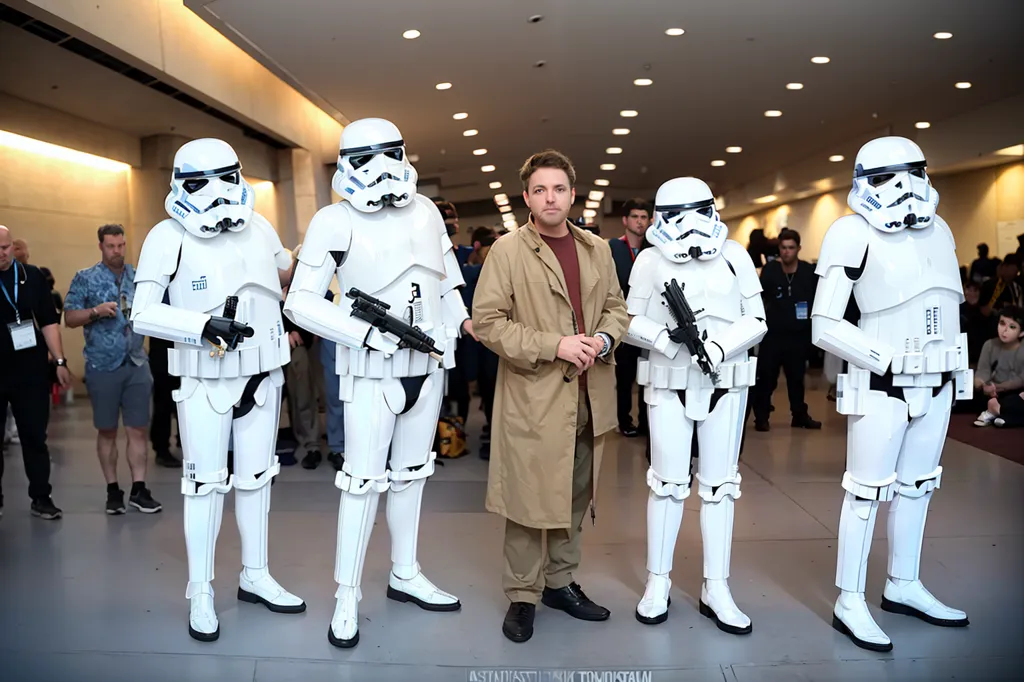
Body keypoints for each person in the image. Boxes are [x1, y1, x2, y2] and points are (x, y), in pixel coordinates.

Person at [284, 118, 472, 648]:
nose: (384, 169)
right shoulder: (332, 221)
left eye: (392, 153)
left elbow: (447, 281)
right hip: (370, 373)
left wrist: (464, 323)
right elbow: (300, 302)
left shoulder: (428, 211)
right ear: (346, 163)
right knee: (361, 483)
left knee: (412, 474)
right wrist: (362, 334)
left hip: (428, 366)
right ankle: (347, 594)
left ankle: (405, 572)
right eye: (368, 158)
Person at [130, 138, 305, 642]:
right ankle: (201, 590)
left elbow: (285, 271)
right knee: (205, 485)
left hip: (264, 372)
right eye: (201, 183)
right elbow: (142, 311)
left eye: (227, 177)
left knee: (256, 479)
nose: (217, 193)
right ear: (181, 184)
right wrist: (200, 325)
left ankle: (255, 574)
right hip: (205, 378)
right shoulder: (167, 236)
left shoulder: (261, 226)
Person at [811, 136, 971, 652]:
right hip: (882, 384)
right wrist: (884, 360)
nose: (903, 190)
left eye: (911, 174)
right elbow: (824, 323)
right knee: (866, 491)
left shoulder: (941, 230)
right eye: (886, 179)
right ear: (863, 183)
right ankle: (850, 598)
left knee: (919, 486)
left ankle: (904, 583)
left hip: (940, 379)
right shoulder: (849, 232)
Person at [472, 149, 628, 644]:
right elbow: (489, 325)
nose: (550, 197)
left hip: (591, 396)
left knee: (575, 496)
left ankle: (560, 583)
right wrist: (553, 345)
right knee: (528, 500)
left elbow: (617, 310)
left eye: (558, 188)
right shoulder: (508, 251)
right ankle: (522, 595)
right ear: (526, 198)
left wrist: (603, 339)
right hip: (534, 398)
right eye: (539, 190)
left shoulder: (597, 250)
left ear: (572, 193)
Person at [621, 177, 766, 632]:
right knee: (666, 484)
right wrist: (666, 341)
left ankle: (715, 586)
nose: (690, 227)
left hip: (725, 383)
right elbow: (627, 318)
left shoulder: (736, 256)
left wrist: (719, 348)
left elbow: (757, 319)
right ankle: (658, 581)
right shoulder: (648, 260)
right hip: (668, 383)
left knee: (720, 487)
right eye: (676, 216)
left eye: (698, 212)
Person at [64, 224, 162, 514]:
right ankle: (112, 490)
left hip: (136, 363)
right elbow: (69, 317)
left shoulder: (139, 277)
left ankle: (140, 488)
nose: (117, 251)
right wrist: (95, 312)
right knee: (107, 431)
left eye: (121, 245)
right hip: (102, 365)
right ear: (101, 246)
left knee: (138, 430)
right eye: (111, 246)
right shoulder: (85, 278)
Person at [0, 225, 70, 519]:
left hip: (29, 371)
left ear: (11, 246)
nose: (0, 254)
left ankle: (41, 496)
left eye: (4, 248)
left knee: (34, 436)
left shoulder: (32, 277)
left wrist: (60, 361)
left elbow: (49, 322)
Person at [751, 228, 821, 431]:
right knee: (766, 378)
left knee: (796, 379)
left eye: (791, 248)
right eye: (783, 248)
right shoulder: (771, 271)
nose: (787, 252)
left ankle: (799, 414)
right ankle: (761, 417)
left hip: (798, 336)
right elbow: (760, 298)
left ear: (798, 248)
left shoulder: (807, 272)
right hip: (773, 335)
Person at [608, 198, 652, 437]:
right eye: (635, 217)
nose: (639, 222)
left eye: (644, 217)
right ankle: (624, 421)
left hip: (649, 324)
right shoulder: (613, 249)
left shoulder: (653, 251)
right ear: (625, 220)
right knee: (624, 378)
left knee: (647, 376)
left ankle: (646, 422)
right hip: (623, 325)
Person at [972, 306, 1024, 426]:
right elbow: (982, 371)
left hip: (1013, 391)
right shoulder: (989, 345)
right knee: (970, 397)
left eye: (1012, 327)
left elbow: (1021, 379)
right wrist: (982, 384)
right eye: (1002, 323)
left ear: (1021, 332)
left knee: (1012, 401)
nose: (1004, 330)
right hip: (991, 393)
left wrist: (999, 387)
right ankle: (1000, 413)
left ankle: (998, 412)